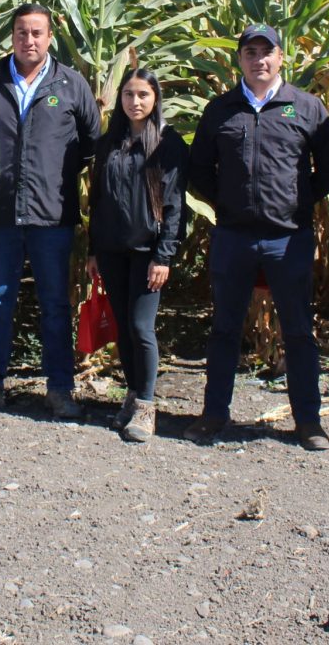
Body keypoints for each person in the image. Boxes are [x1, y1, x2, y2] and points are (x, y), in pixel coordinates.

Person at [185, 23, 329, 448]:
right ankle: (214, 414)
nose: (259, 60)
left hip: (288, 238)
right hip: (234, 236)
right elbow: (199, 167)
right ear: (239, 59)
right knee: (224, 329)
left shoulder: (306, 107)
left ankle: (308, 421)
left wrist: (300, 201)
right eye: (250, 52)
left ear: (281, 57)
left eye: (266, 52)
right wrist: (226, 204)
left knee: (297, 331)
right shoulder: (221, 109)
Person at [0, 3, 100, 418]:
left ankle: (59, 388)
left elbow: (90, 144)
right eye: (22, 33)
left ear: (50, 37)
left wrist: (53, 177)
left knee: (55, 304)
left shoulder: (71, 84)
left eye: (37, 33)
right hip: (0, 214)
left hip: (52, 215)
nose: (30, 41)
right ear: (12, 35)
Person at [85, 68, 187, 442]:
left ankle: (146, 404)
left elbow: (175, 205)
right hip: (112, 250)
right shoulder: (108, 142)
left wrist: (164, 256)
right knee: (124, 326)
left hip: (148, 252)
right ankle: (131, 396)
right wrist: (94, 249)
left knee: (142, 327)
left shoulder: (167, 143)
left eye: (143, 94)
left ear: (155, 98)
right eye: (129, 94)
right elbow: (97, 199)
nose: (135, 102)